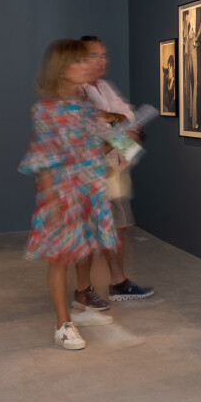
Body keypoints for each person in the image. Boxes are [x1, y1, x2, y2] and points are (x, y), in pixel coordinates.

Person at [19, 39, 118, 350]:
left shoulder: (86, 108)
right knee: (60, 258)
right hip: (63, 196)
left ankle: (81, 305)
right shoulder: (46, 110)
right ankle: (62, 325)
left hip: (89, 191)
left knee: (85, 250)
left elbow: (96, 147)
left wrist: (122, 139)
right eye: (79, 61)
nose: (88, 65)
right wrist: (52, 202)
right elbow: (44, 159)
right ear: (61, 69)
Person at [72, 36, 154, 313]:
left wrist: (126, 131)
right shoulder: (78, 92)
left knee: (117, 227)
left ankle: (118, 283)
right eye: (94, 55)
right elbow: (93, 137)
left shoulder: (105, 87)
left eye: (104, 55)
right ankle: (83, 291)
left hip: (113, 168)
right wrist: (121, 129)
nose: (101, 61)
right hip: (91, 172)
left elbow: (124, 118)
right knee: (89, 233)